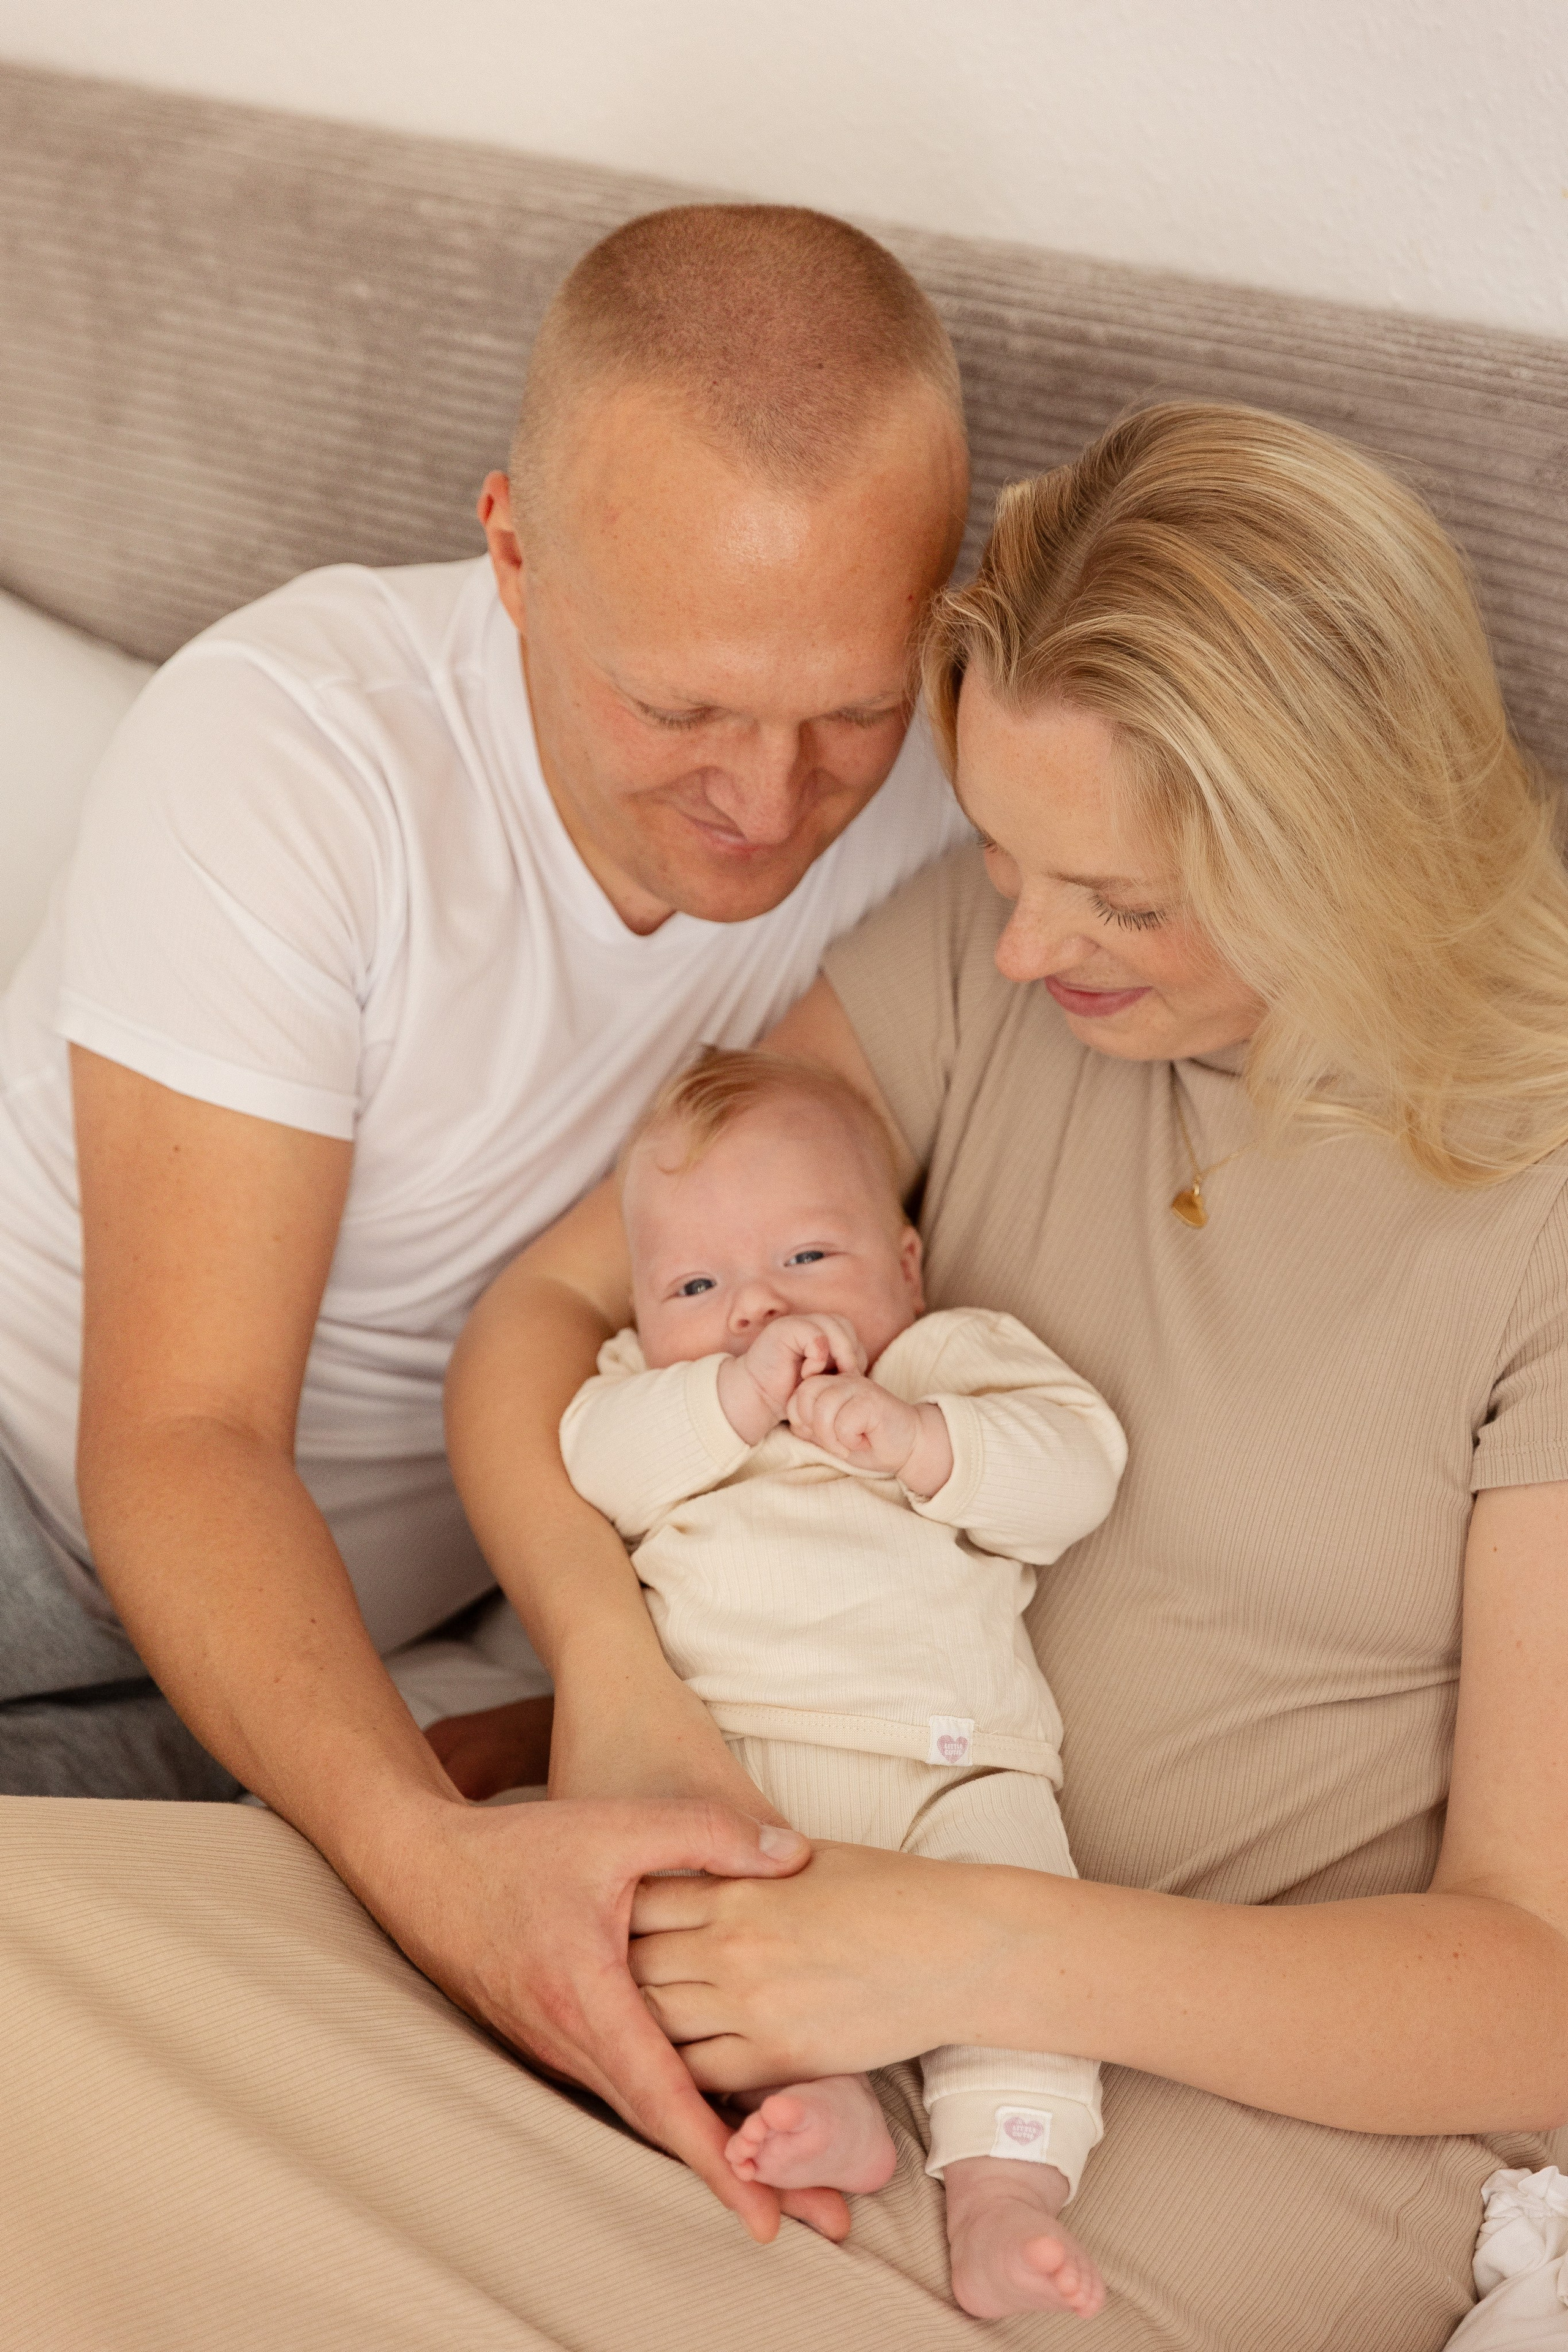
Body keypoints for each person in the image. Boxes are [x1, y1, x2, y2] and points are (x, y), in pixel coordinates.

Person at [428, 401, 1568, 2346]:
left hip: (1200, 2143)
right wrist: (612, 1683)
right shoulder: (993, 950)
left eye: (1123, 899)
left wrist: (960, 1946)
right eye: (1000, 853)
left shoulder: (1534, 1193)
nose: (1028, 946)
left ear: (1353, 839)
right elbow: (546, 1320)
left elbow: (1530, 1995)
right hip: (762, 1997)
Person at [553, 1044, 1124, 2316]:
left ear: (905, 1265)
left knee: (1028, 1943)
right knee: (675, 1947)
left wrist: (927, 1444)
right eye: (695, 1284)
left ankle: (1000, 2194)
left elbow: (1076, 1469)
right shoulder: (647, 1398)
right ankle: (815, 2102)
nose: (756, 1308)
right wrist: (727, 1397)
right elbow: (595, 1465)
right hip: (736, 1777)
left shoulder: (946, 1361)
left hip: (953, 1764)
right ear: (641, 1317)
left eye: (806, 1260)